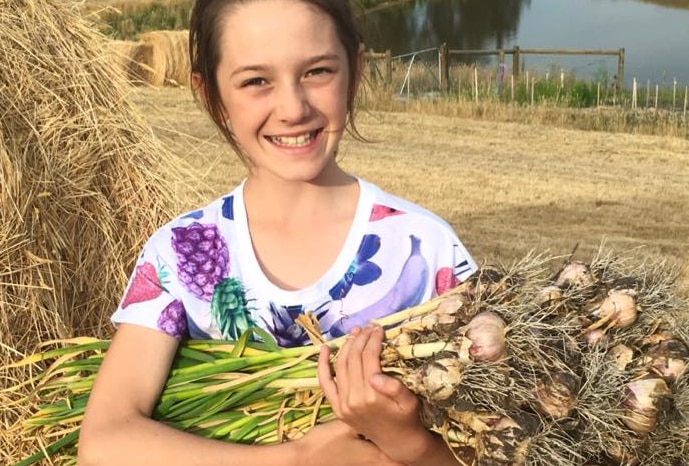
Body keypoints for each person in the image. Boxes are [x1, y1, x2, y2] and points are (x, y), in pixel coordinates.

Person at [77, 0, 477, 464]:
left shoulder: (429, 250)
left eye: (317, 72)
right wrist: (297, 458)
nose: (292, 108)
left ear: (357, 70)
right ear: (211, 97)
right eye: (255, 81)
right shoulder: (180, 252)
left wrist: (407, 442)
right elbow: (104, 442)